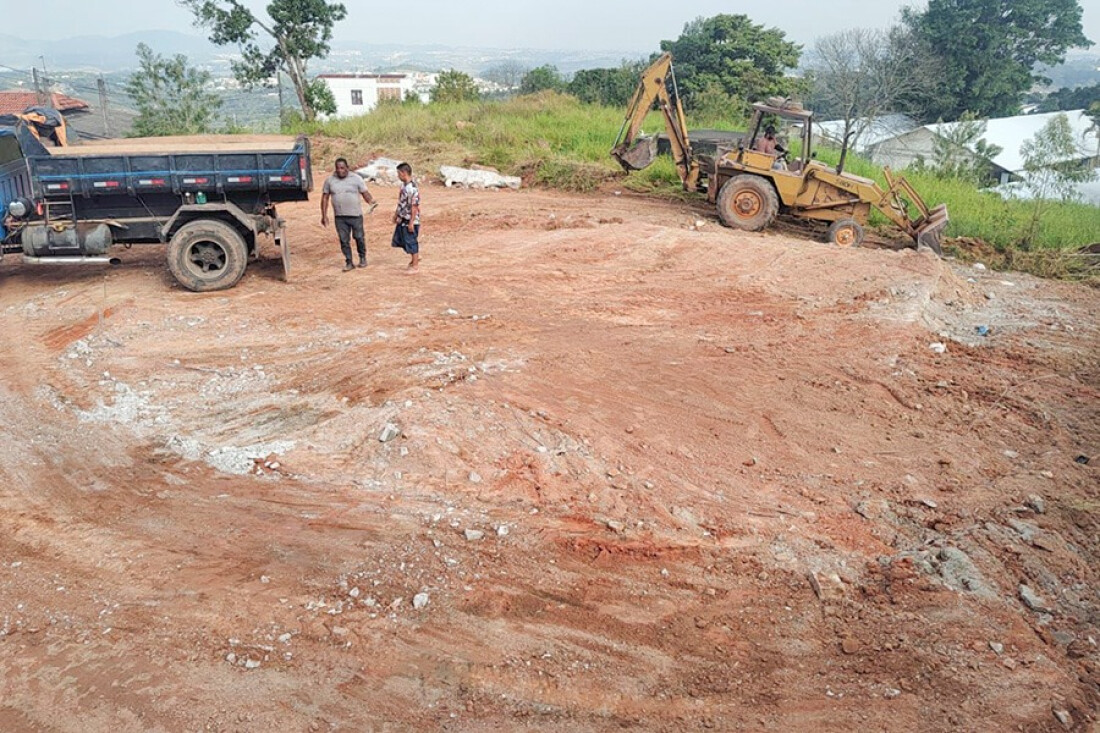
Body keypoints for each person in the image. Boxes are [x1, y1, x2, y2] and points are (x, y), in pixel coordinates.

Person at [320, 158, 377, 271]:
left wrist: (371, 202)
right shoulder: (330, 180)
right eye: (337, 168)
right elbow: (325, 198)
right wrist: (324, 215)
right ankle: (349, 262)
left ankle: (362, 257)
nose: (340, 170)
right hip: (340, 217)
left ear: (347, 167)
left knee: (359, 237)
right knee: (344, 240)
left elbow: (364, 193)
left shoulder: (356, 179)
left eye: (342, 168)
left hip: (355, 216)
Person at [391, 162, 421, 273]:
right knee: (401, 240)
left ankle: (415, 264)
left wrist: (412, 222)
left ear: (404, 173)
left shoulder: (412, 189)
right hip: (403, 218)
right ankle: (415, 258)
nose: (398, 176)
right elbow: (401, 203)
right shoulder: (403, 186)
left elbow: (414, 206)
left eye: (398, 173)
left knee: (411, 241)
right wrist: (396, 215)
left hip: (410, 219)